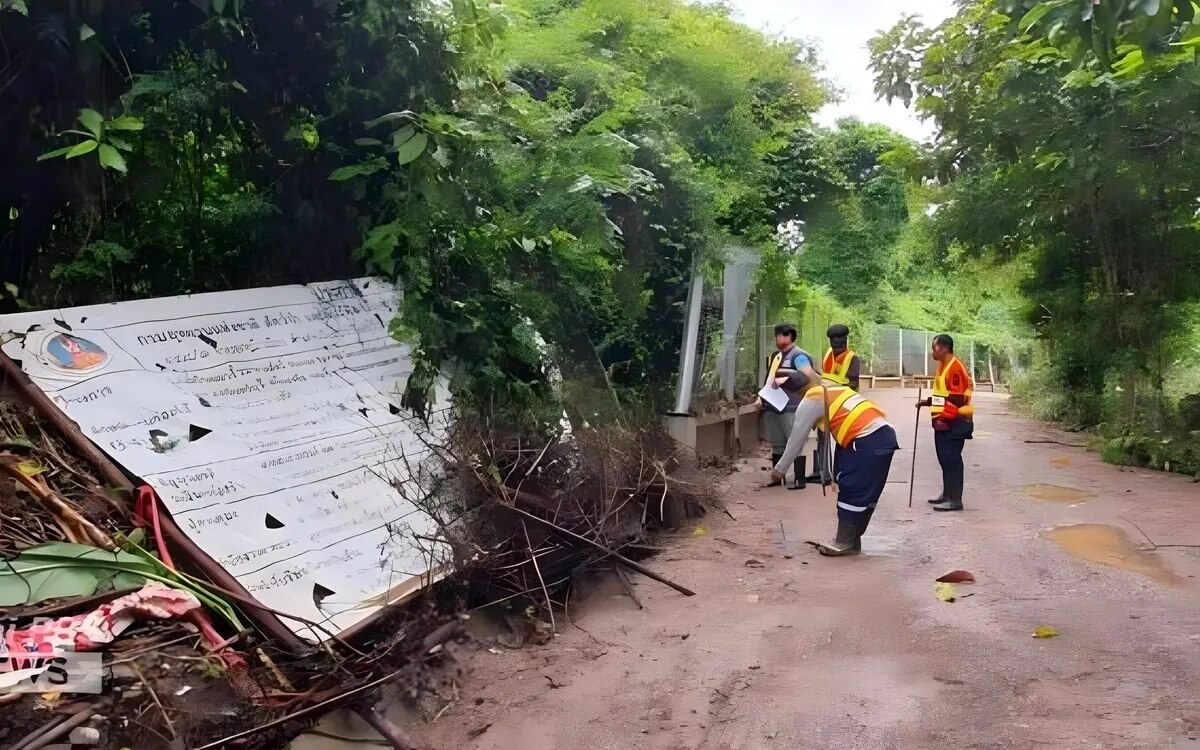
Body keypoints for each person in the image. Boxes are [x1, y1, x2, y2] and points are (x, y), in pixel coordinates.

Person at [770, 377, 899, 555]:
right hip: (882, 436)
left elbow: (796, 440)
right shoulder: (833, 389)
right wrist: (835, 472)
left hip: (866, 439)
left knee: (852, 488)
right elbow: (841, 437)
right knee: (866, 491)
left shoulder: (812, 398)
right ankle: (853, 540)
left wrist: (778, 471)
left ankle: (844, 542)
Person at [758, 323, 820, 489]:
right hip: (773, 406)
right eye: (778, 335)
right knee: (778, 444)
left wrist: (788, 377)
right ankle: (779, 478)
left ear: (792, 337)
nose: (780, 338)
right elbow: (769, 380)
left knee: (794, 443)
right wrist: (761, 399)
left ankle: (796, 479)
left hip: (791, 407)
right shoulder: (775, 356)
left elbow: (808, 375)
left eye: (784, 335)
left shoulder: (798, 356)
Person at [917, 334, 974, 512]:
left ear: (943, 348)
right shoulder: (943, 365)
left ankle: (955, 500)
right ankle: (947, 495)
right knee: (944, 460)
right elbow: (943, 393)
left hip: (954, 421)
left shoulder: (954, 367)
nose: (932, 351)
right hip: (942, 420)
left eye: (934, 347)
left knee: (952, 460)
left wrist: (934, 401)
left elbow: (956, 398)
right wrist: (928, 402)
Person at [806, 323, 863, 484]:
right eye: (834, 343)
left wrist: (834, 389)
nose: (837, 346)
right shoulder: (828, 355)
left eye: (840, 343)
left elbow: (852, 383)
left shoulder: (853, 359)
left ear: (846, 340)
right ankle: (823, 472)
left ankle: (842, 472)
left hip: (846, 405)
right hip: (827, 402)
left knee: (843, 440)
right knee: (822, 437)